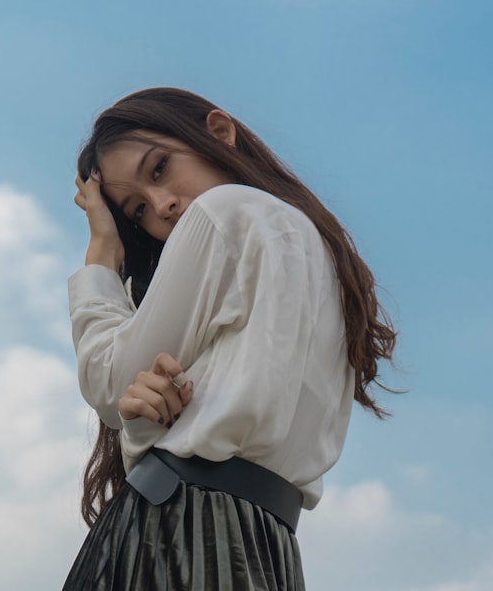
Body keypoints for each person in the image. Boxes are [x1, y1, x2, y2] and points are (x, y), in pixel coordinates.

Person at [64, 87, 396, 590]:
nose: (163, 205)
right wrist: (145, 423)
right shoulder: (324, 261)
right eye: (137, 213)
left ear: (219, 133)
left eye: (159, 169)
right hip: (269, 543)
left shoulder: (223, 211)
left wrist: (102, 251)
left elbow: (110, 383)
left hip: (178, 528)